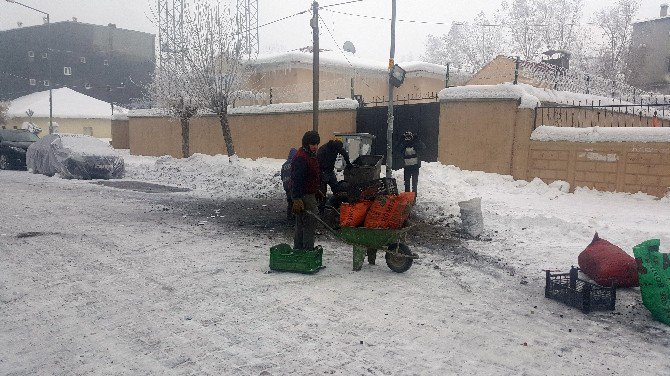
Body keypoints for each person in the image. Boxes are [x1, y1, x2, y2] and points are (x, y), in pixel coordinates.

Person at [291, 130, 321, 250]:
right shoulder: (301, 158)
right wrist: (297, 199)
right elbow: (297, 179)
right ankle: (307, 250)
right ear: (306, 144)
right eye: (312, 144)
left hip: (309, 193)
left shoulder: (309, 155)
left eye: (316, 144)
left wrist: (316, 189)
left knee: (302, 224)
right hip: (304, 196)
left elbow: (311, 176)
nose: (315, 146)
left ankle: (299, 249)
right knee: (309, 224)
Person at [280, 147, 298, 220]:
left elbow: (282, 176)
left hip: (286, 185)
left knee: (289, 201)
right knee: (295, 201)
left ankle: (289, 216)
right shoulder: (295, 163)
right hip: (292, 185)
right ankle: (294, 216)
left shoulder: (284, 165)